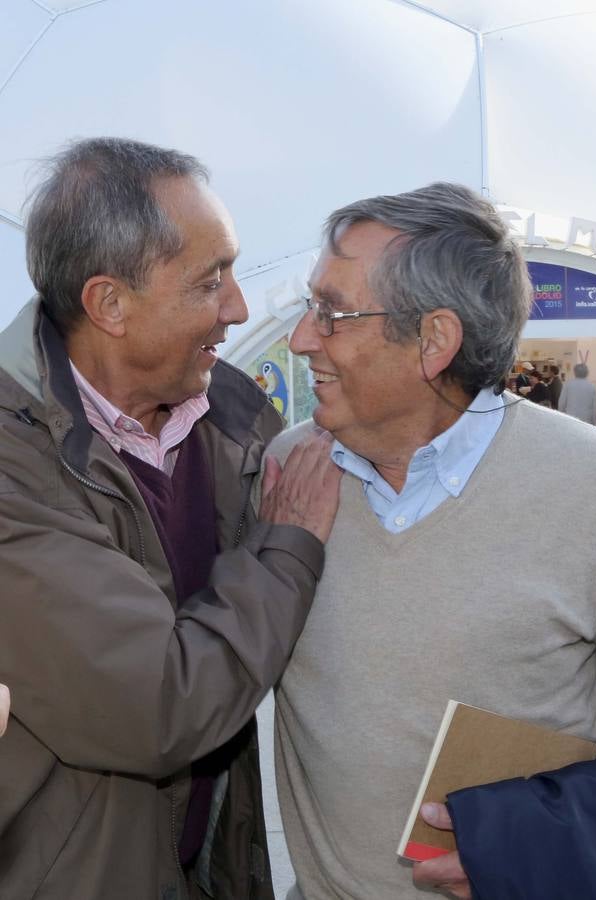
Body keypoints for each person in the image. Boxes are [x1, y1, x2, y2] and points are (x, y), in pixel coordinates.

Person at [266, 182, 596, 899]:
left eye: (332, 313)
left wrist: (542, 843)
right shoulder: (282, 473)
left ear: (434, 341)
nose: (301, 338)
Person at [0, 137, 342, 900]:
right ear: (109, 304)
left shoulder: (231, 421)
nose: (240, 307)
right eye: (209, 280)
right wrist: (288, 548)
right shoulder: (13, 464)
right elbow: (163, 704)